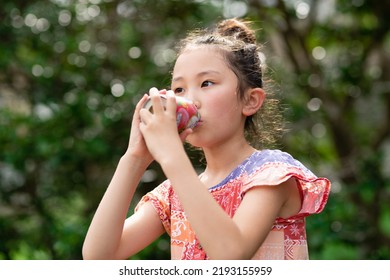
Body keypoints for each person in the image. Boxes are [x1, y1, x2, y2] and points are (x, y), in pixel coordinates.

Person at [82, 18, 331, 260]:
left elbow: (230, 254)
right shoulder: (174, 192)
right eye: (179, 89)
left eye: (207, 83)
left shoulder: (272, 175)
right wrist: (134, 158)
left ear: (250, 100)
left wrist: (171, 155)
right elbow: (99, 256)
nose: (190, 100)